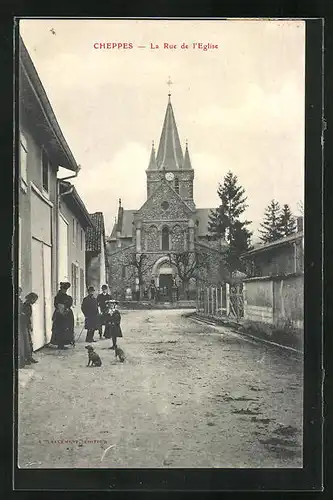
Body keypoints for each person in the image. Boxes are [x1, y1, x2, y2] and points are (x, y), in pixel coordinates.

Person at [50, 282, 75, 349]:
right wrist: (61, 309)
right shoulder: (57, 297)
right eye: (63, 289)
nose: (64, 290)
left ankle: (65, 343)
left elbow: (69, 304)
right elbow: (56, 305)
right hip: (59, 315)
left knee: (66, 328)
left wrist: (66, 309)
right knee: (60, 329)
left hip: (67, 314)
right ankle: (60, 344)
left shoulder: (68, 297)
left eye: (65, 289)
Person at [20, 292, 39, 365]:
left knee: (29, 342)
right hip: (23, 325)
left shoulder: (28, 306)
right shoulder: (25, 306)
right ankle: (26, 358)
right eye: (34, 299)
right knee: (26, 342)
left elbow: (28, 317)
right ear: (31, 299)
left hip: (26, 324)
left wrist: (29, 325)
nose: (35, 301)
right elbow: (25, 317)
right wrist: (28, 325)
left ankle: (29, 357)